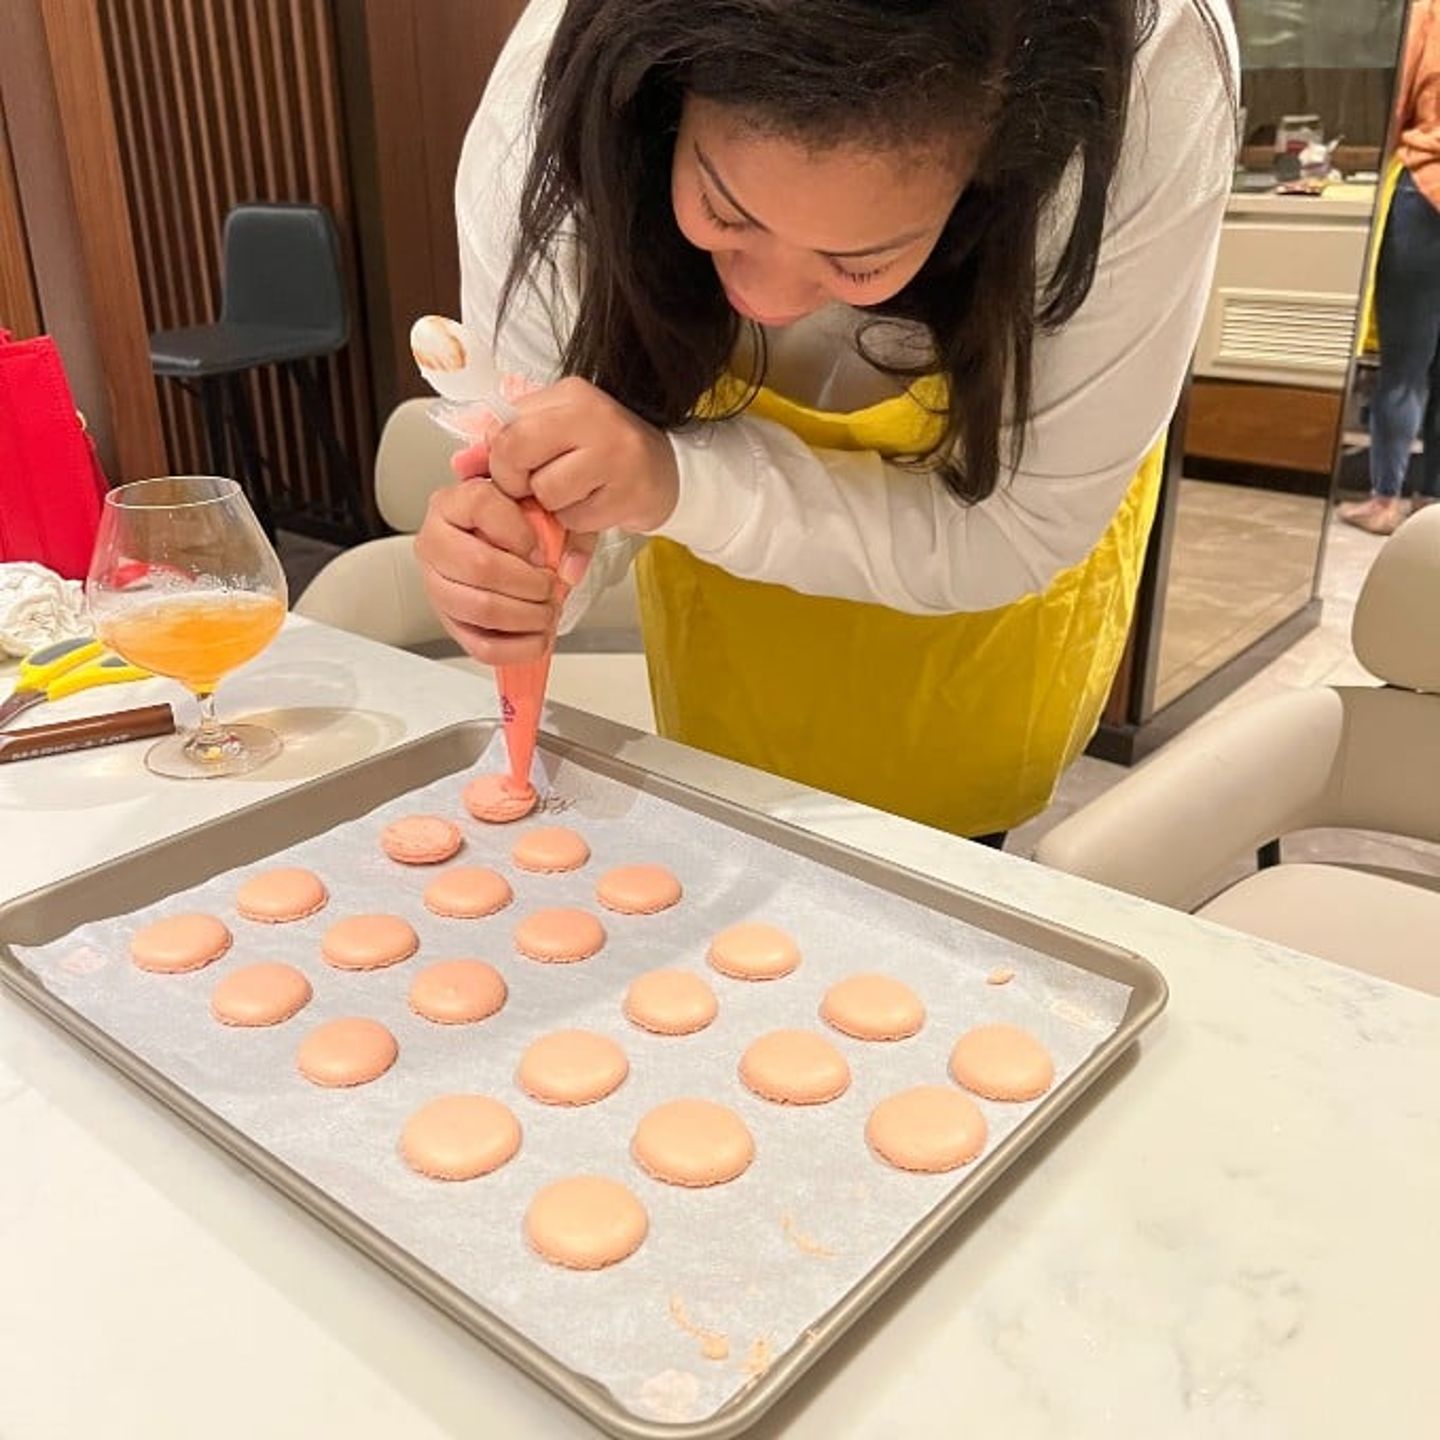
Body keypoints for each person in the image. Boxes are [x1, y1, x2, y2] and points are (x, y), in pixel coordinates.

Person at [417, 0, 1237, 841]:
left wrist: (678, 478)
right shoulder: (554, 105)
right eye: (725, 211)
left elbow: (1014, 529)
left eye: (862, 260)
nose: (767, 303)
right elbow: (555, 485)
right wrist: (524, 557)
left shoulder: (1149, 81)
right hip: (726, 670)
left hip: (971, 648)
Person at [1341, 0, 1440, 537]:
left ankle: (1384, 500)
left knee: (1405, 362)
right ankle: (1431, 501)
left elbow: (1398, 98)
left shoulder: (1427, 11)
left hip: (1426, 191)